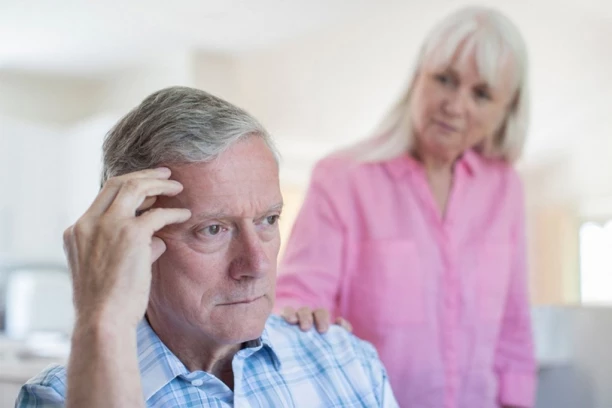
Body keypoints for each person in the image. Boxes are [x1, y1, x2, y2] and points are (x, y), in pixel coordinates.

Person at [16, 86, 398, 408]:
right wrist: (103, 318)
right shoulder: (59, 398)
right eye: (212, 229)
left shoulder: (346, 359)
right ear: (131, 240)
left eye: (268, 220)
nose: (256, 264)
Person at [276, 6, 536, 408]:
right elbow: (297, 306)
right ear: (418, 77)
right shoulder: (341, 179)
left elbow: (514, 328)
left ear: (505, 111)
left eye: (481, 94)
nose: (455, 104)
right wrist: (298, 316)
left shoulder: (505, 189)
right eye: (445, 80)